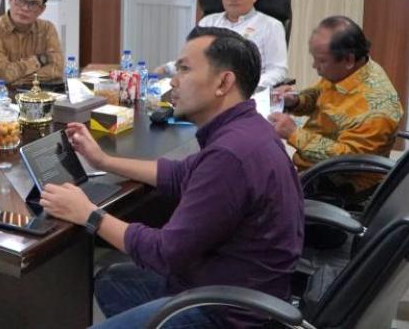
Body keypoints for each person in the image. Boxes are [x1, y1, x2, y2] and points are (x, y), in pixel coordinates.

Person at [41, 27, 304, 328]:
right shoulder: (247, 128)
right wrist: (103, 160)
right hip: (232, 282)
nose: (174, 81)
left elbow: (165, 253)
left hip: (226, 312)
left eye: (184, 69)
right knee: (113, 281)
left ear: (223, 82)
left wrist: (89, 215)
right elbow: (180, 174)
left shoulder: (230, 155)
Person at [269, 16, 403, 193]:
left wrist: (294, 133)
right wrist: (295, 100)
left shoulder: (376, 109)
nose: (314, 66)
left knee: (260, 191)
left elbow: (346, 162)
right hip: (312, 164)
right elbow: (318, 95)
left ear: (348, 60)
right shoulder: (350, 71)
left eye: (321, 61)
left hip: (341, 185)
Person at [155, 0, 288, 88]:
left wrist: (247, 87)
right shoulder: (208, 22)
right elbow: (191, 58)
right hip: (206, 89)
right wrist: (167, 69)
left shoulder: (271, 26)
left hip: (246, 92)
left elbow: (278, 70)